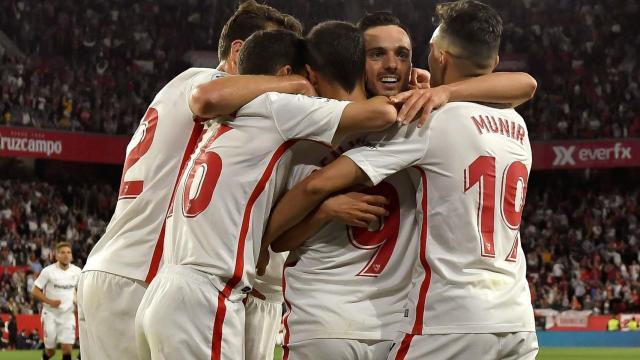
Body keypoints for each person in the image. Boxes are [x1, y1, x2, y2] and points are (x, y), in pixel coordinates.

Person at [262, 1, 538, 359]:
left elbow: (525, 83)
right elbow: (285, 233)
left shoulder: (418, 118)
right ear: (355, 60)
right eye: (376, 54)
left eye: (403, 55)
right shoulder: (313, 129)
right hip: (325, 319)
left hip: (396, 324)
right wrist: (317, 215)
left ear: (424, 62)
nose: (391, 64)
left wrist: (442, 92)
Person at [135, 24, 402, 360]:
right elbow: (381, 113)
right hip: (205, 296)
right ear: (289, 73)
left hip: (166, 289)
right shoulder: (279, 106)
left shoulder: (228, 117)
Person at [75, 1, 309, 359]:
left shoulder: (176, 87)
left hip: (114, 269)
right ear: (239, 52)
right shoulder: (210, 85)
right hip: (143, 273)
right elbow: (211, 101)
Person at [32, 242, 81, 360]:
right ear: (57, 255)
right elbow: (35, 290)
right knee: (51, 351)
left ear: (72, 256)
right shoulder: (48, 271)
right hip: (50, 314)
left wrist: (77, 301)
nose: (66, 255)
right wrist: (50, 302)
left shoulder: (78, 272)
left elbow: (81, 291)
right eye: (62, 252)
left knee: (67, 349)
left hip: (68, 315)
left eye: (68, 252)